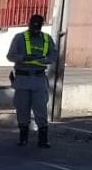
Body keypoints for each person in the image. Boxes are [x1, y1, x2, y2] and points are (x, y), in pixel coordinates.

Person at [7, 14, 57, 148]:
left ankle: (43, 139)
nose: (34, 29)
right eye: (32, 26)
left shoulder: (47, 39)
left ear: (41, 26)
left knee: (40, 108)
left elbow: (54, 55)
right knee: (22, 108)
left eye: (37, 27)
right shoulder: (20, 38)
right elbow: (10, 56)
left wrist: (44, 60)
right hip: (22, 77)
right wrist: (24, 58)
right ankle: (23, 138)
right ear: (29, 24)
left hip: (39, 78)